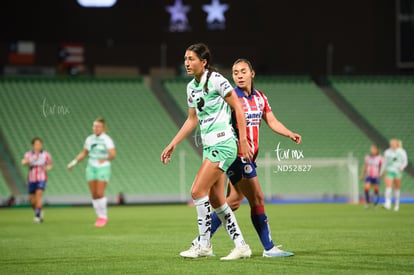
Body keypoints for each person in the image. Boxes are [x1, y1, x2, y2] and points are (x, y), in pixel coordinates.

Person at [191, 58, 301, 257]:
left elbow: (272, 120)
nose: (239, 76)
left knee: (232, 200)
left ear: (252, 74)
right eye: (235, 73)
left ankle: (201, 241)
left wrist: (289, 133)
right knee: (257, 197)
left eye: (242, 71)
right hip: (236, 154)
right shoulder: (231, 97)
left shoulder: (260, 98)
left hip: (249, 156)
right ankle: (269, 248)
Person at [161, 43, 253, 260]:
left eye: (191, 59)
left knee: (196, 191)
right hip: (209, 146)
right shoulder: (191, 88)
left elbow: (238, 107)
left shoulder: (216, 80)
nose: (186, 62)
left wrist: (243, 140)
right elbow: (192, 119)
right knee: (217, 200)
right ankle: (241, 245)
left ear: (203, 62)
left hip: (224, 144)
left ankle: (204, 245)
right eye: (185, 58)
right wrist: (173, 143)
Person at [67, 117, 116, 227]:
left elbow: (113, 154)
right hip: (91, 167)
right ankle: (99, 216)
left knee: (99, 192)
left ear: (103, 128)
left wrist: (105, 159)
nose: (96, 128)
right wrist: (73, 163)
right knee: (94, 194)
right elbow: (84, 153)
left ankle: (103, 216)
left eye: (98, 126)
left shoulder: (107, 139)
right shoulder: (90, 139)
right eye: (94, 126)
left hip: (103, 167)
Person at [22, 137, 53, 223]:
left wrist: (47, 168)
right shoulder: (28, 154)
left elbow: (50, 165)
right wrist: (32, 159)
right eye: (36, 144)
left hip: (41, 177)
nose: (38, 146)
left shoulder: (45, 154)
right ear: (33, 145)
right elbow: (24, 163)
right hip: (31, 178)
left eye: (39, 144)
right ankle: (39, 211)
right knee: (32, 200)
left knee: (38, 196)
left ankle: (38, 217)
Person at [381, 139, 408, 211]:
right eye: (391, 144)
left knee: (397, 189)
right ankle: (387, 203)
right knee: (388, 187)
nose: (391, 145)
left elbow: (405, 161)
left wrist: (401, 168)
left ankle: (396, 205)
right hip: (389, 171)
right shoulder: (387, 152)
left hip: (397, 172)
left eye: (393, 144)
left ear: (396, 144)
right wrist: (381, 172)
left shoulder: (402, 151)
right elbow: (385, 163)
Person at [359, 144, 382, 209]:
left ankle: (375, 204)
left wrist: (382, 175)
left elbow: (382, 167)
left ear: (376, 150)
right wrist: (362, 175)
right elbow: (365, 166)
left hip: (376, 176)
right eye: (371, 149)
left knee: (376, 190)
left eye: (374, 149)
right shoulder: (367, 157)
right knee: (366, 188)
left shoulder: (379, 157)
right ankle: (367, 203)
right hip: (369, 175)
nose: (372, 150)